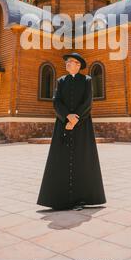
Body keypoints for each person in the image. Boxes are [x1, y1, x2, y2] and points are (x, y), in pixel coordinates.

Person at [36, 52, 107, 211]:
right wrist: (66, 116)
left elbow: (88, 102)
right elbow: (56, 101)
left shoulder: (87, 80)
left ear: (78, 65)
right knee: (61, 160)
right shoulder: (61, 81)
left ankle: (81, 199)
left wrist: (75, 119)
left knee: (82, 160)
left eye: (70, 62)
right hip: (63, 124)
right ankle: (59, 199)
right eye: (67, 62)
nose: (67, 64)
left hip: (82, 126)